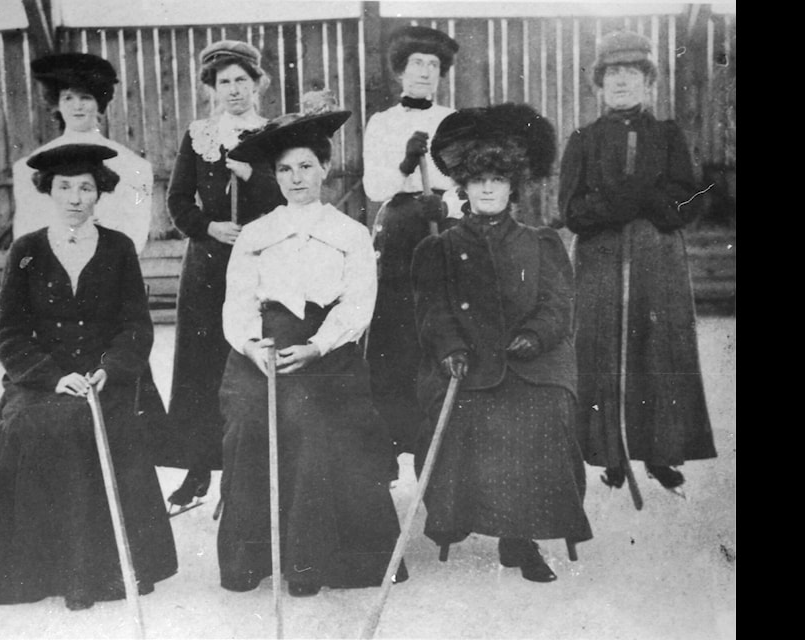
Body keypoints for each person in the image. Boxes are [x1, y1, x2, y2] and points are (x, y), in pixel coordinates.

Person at [0, 143, 177, 610]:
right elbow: (9, 332)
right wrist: (52, 377)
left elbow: (136, 325)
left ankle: (108, 570)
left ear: (100, 193)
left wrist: (109, 369)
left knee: (112, 423)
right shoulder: (27, 249)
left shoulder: (118, 247)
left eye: (86, 187)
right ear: (48, 191)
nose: (75, 197)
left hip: (106, 377)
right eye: (65, 187)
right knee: (36, 425)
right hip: (43, 379)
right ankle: (38, 569)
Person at [217, 109, 406, 596]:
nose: (296, 178)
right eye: (284, 169)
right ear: (273, 176)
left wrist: (318, 346)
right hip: (262, 350)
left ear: (324, 168)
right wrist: (251, 345)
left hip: (328, 350)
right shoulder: (257, 233)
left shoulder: (350, 233)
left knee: (316, 422)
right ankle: (251, 557)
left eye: (305, 166)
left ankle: (314, 563)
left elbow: (359, 304)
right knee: (249, 422)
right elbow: (236, 301)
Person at [412, 104, 593, 583]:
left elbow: (558, 305)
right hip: (468, 364)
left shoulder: (541, 243)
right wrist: (451, 348)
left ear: (513, 185)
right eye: (478, 180)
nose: (488, 187)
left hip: (530, 360)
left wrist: (534, 336)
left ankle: (522, 538)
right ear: (464, 188)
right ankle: (463, 520)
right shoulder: (442, 247)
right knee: (466, 417)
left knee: (542, 412)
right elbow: (433, 312)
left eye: (497, 179)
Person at [558, 31, 717, 492]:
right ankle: (609, 451)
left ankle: (660, 452)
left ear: (648, 82)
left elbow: (689, 201)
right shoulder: (584, 140)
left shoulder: (667, 135)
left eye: (632, 73)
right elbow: (571, 210)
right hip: (601, 262)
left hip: (657, 262)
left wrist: (651, 199)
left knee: (657, 348)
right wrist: (617, 203)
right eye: (613, 74)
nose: (622, 82)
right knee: (601, 350)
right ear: (600, 85)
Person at [165, 40, 286, 510]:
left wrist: (253, 175)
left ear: (258, 85)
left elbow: (291, 196)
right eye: (223, 83)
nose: (233, 90)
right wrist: (210, 226)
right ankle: (198, 471)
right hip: (208, 268)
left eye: (241, 80)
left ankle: (245, 476)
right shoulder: (200, 135)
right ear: (212, 89)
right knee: (202, 366)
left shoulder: (273, 134)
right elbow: (177, 202)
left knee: (250, 365)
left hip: (262, 265)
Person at [362, 25, 461, 459]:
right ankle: (391, 440)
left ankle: (435, 445)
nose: (424, 72)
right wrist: (404, 161)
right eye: (416, 64)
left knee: (437, 325)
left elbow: (464, 181)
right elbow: (375, 187)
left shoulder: (453, 121)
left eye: (433, 66)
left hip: (440, 225)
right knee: (396, 331)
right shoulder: (382, 122)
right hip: (401, 229)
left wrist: (450, 207)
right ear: (401, 72)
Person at [12, 52, 153, 254]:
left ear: (99, 104)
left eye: (85, 97)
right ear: (57, 104)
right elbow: (27, 228)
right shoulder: (29, 167)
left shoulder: (132, 166)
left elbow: (135, 229)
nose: (77, 106)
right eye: (68, 97)